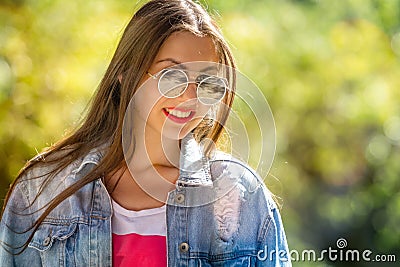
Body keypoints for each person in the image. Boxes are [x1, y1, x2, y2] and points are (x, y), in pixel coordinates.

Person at [0, 0, 291, 266]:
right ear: (125, 72)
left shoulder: (244, 196)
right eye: (171, 75)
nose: (190, 96)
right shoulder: (43, 189)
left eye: (207, 81)